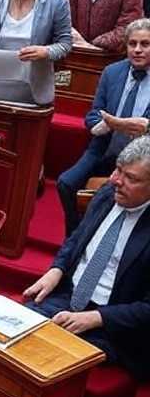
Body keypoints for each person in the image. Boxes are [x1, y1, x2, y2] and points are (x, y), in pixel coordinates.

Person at [25, 135, 150, 379]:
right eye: (117, 170)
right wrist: (56, 270)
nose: (115, 180)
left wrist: (97, 318)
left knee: (42, 351)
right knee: (13, 326)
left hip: (115, 326)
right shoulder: (107, 193)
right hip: (69, 296)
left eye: (130, 178)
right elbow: (76, 239)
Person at [56, 18, 150, 235]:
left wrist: (126, 124)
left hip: (142, 157)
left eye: (144, 44)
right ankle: (75, 235)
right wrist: (111, 125)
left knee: (112, 192)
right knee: (66, 183)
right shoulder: (112, 72)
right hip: (104, 149)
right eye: (132, 44)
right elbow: (92, 116)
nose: (137, 50)